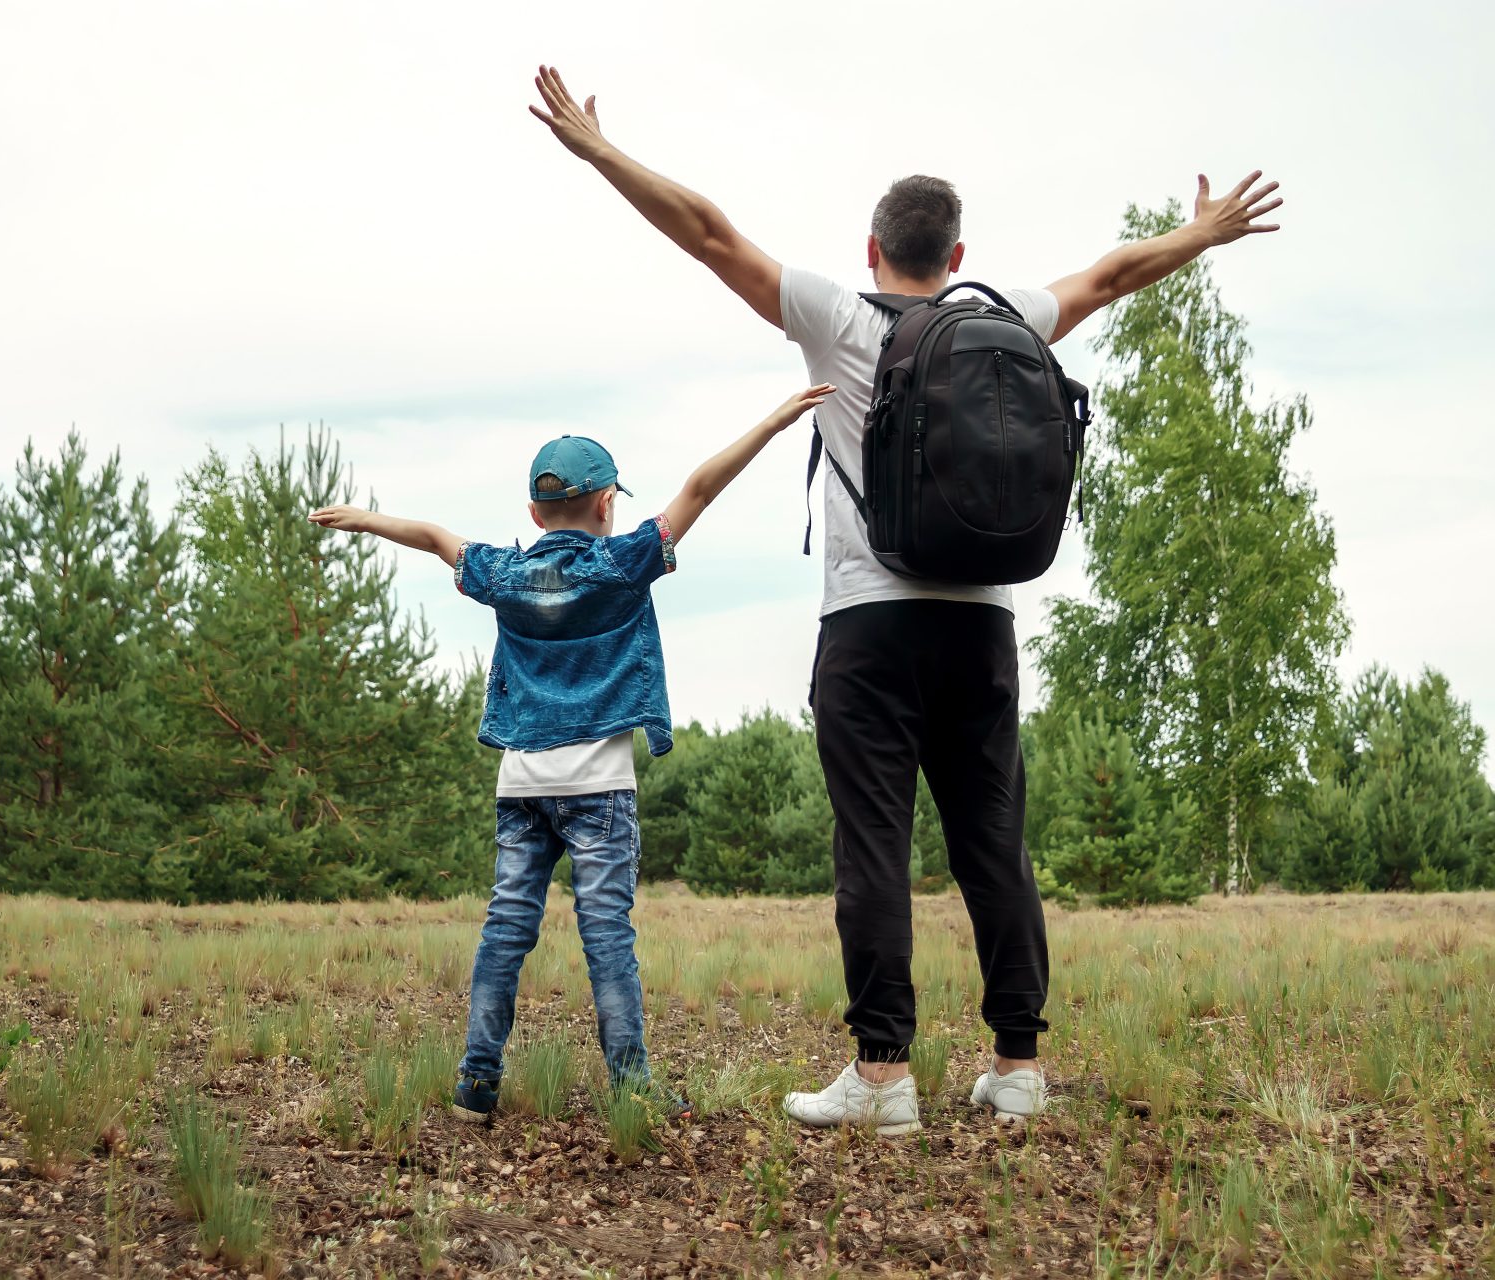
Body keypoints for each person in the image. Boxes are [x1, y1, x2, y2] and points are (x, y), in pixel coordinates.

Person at [528, 64, 1283, 1133]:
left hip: (869, 626)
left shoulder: (840, 319)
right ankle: (1017, 1065)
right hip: (982, 622)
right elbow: (1113, 277)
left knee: (873, 843)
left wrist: (603, 153)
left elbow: (707, 232)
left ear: (872, 249)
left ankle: (883, 1077)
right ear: (957, 256)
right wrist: (1200, 233)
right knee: (992, 839)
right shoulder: (1009, 316)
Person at [309, 381, 836, 1122]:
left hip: (521, 784)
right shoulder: (623, 566)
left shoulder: (504, 574)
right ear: (605, 505)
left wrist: (366, 520)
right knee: (607, 937)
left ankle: (476, 1082)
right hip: (599, 788)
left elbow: (434, 537)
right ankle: (631, 1084)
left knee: (505, 929)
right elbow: (699, 487)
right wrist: (777, 420)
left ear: (534, 513)